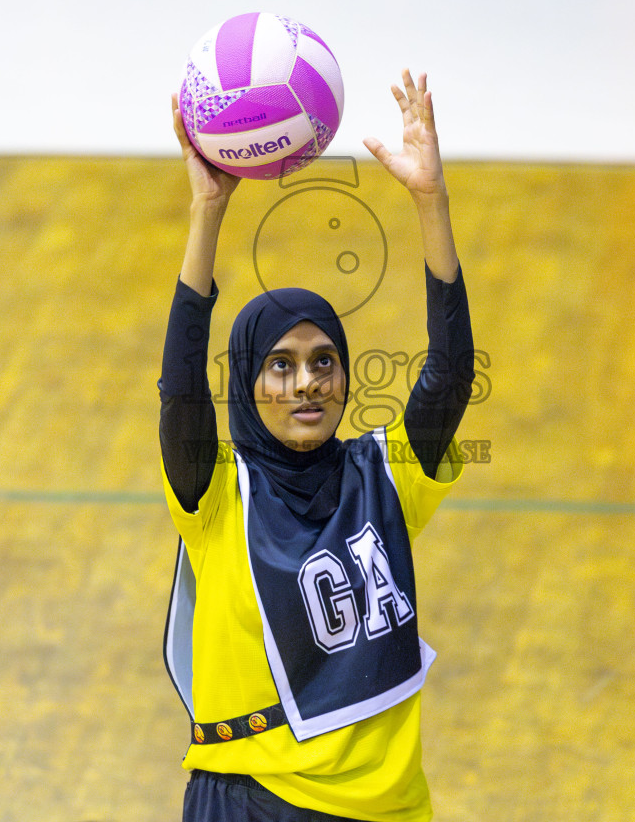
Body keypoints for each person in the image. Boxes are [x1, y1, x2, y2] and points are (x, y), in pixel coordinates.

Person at [159, 70, 475, 821]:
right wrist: (207, 212)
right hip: (253, 797)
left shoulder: (385, 476)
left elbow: (451, 373)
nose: (307, 384)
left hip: (389, 807)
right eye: (280, 365)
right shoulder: (216, 494)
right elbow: (180, 390)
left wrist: (431, 202)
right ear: (247, 382)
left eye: (323, 361)